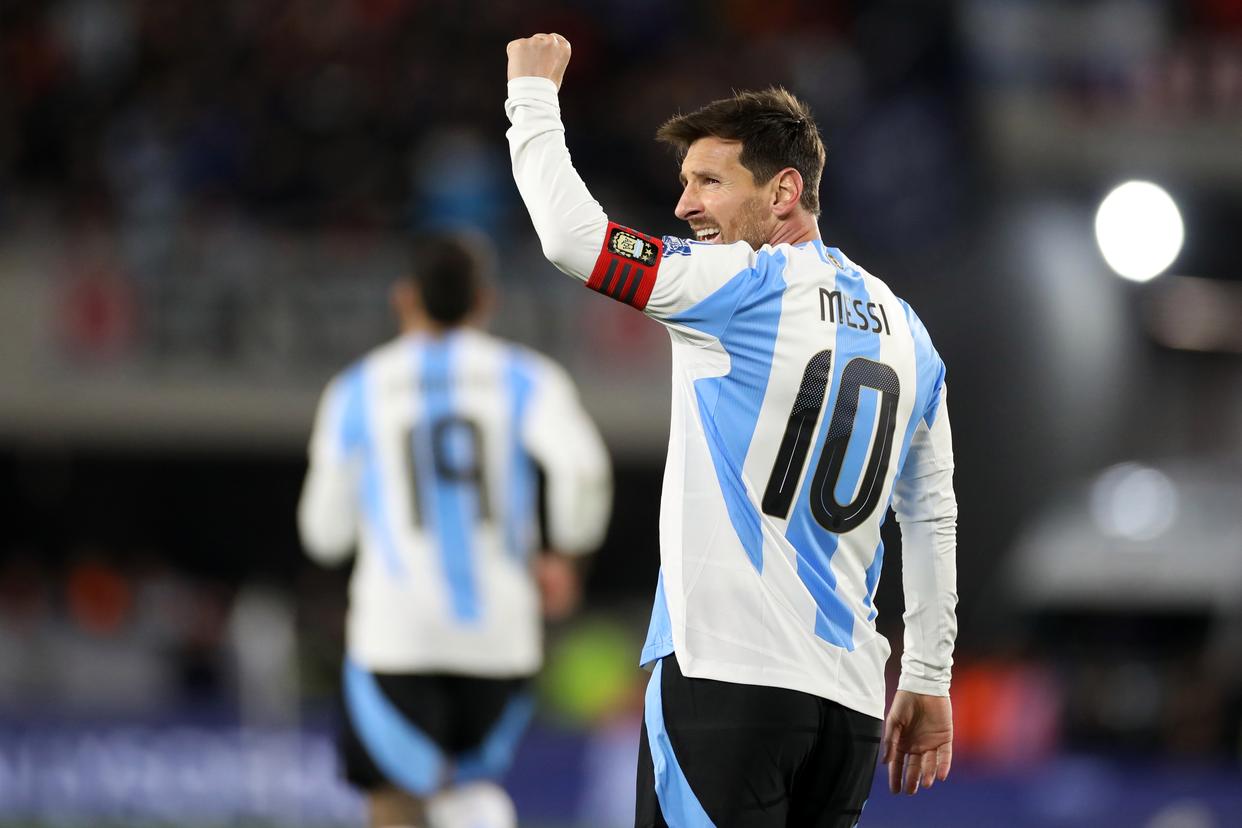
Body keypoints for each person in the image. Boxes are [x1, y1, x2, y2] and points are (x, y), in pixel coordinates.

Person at [505, 34, 958, 828]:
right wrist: (926, 674)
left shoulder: (737, 285)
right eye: (685, 183)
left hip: (727, 680)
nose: (685, 207)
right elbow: (930, 512)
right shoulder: (909, 332)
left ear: (785, 192)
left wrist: (531, 97)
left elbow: (573, 239)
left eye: (709, 182)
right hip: (847, 708)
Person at [297, 231, 612, 828]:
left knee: (395, 800)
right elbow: (583, 473)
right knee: (469, 790)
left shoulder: (359, 388)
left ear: (404, 298)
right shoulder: (528, 379)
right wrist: (564, 555)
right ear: (485, 300)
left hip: (395, 634)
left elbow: (324, 534)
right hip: (500, 634)